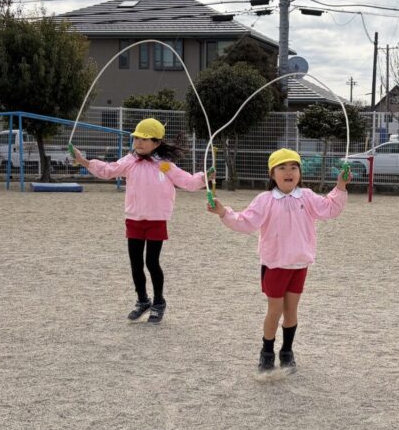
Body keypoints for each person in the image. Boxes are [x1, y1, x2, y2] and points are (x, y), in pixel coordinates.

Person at [207, 149, 348, 372]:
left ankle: (287, 351)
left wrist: (340, 187)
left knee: (291, 310)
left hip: (299, 265)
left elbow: (330, 209)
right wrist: (224, 212)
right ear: (272, 174)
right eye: (282, 168)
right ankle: (266, 352)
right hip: (275, 266)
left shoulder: (307, 196)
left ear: (300, 173)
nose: (288, 172)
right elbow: (245, 221)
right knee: (275, 311)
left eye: (293, 167)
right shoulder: (265, 200)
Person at [72, 118, 211, 324]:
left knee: (152, 262)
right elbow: (108, 170)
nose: (138, 142)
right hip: (134, 219)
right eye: (136, 138)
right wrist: (83, 161)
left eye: (144, 139)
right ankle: (142, 300)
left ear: (157, 142)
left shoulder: (164, 165)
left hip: (156, 220)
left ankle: (159, 302)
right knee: (136, 264)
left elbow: (187, 182)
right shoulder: (129, 161)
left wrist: (205, 177)